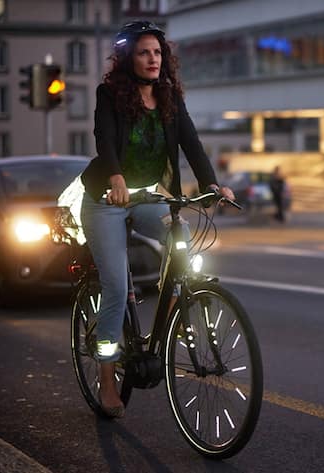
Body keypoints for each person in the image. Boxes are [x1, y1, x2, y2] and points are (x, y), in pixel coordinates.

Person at [78, 20, 234, 418]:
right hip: (106, 198)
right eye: (144, 52)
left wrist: (212, 184)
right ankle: (109, 379)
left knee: (180, 245)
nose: (152, 59)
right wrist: (115, 176)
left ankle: (166, 326)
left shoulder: (169, 97)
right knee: (115, 285)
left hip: (147, 197)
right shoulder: (109, 93)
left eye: (157, 52)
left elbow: (192, 142)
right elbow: (105, 138)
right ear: (129, 57)